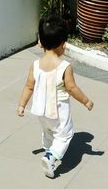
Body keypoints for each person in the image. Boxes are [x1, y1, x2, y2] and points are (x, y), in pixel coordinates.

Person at [17, 15, 94, 178]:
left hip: (39, 110)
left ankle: (47, 148)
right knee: (65, 134)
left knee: (48, 130)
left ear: (40, 43)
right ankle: (50, 156)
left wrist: (22, 105)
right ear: (63, 45)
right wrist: (86, 101)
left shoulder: (35, 65)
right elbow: (72, 88)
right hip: (58, 111)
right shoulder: (65, 67)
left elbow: (28, 86)